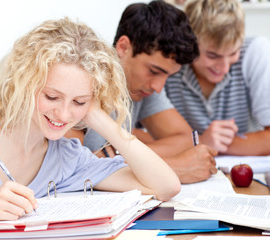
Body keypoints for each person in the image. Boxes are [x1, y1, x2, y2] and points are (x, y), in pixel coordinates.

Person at [0, 18, 180, 240]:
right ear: (23, 83)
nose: (63, 114)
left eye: (79, 101)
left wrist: (99, 117)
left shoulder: (63, 155)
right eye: (51, 97)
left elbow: (166, 186)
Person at [68, 1, 218, 184]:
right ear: (123, 47)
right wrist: (172, 168)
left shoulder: (142, 87)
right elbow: (68, 166)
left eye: (167, 76)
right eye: (154, 71)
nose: (158, 87)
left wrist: (116, 153)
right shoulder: (81, 80)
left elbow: (185, 140)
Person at [165, 0, 270, 155]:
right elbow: (134, 134)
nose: (225, 67)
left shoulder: (255, 52)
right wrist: (203, 140)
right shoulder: (171, 63)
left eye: (233, 53)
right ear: (189, 44)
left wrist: (209, 143)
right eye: (213, 55)